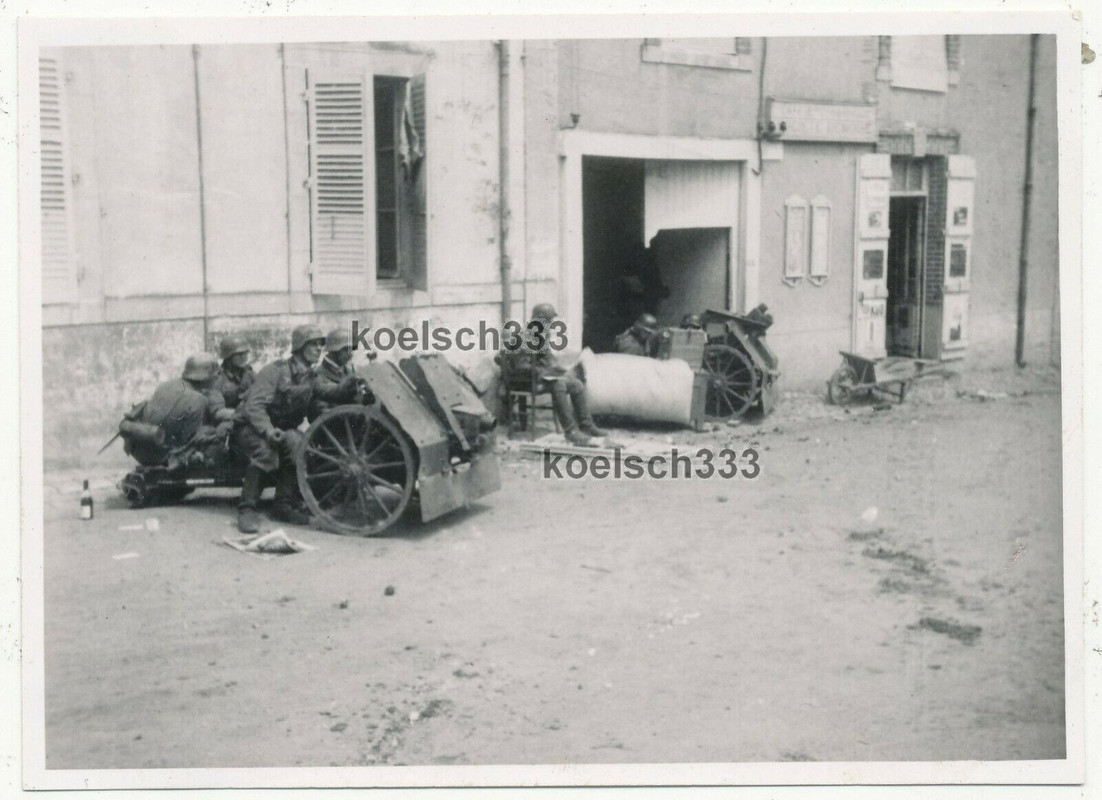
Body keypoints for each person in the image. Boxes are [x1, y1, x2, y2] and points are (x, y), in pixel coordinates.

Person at [233, 324, 361, 533]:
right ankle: (247, 509)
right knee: (266, 452)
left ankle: (282, 505)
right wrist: (267, 430)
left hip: (281, 429)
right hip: (251, 427)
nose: (318, 349)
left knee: (299, 446)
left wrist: (351, 383)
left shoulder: (311, 377)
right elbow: (253, 407)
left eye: (321, 345)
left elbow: (332, 392)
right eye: (313, 344)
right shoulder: (275, 371)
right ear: (300, 347)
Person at [503, 303, 606, 447]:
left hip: (539, 376)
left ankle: (586, 425)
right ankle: (571, 432)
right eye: (548, 321)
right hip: (523, 380)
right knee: (558, 384)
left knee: (576, 384)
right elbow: (520, 367)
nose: (550, 325)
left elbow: (549, 358)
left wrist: (562, 369)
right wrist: (544, 372)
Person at [122, 353, 232, 467]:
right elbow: (190, 440)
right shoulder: (198, 400)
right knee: (215, 432)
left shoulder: (166, 385)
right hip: (160, 457)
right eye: (215, 375)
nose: (216, 379)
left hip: (138, 448)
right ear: (207, 376)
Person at [213, 333, 255, 410]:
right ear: (228, 356)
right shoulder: (218, 377)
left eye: (245, 353)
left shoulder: (249, 373)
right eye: (239, 354)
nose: (243, 357)